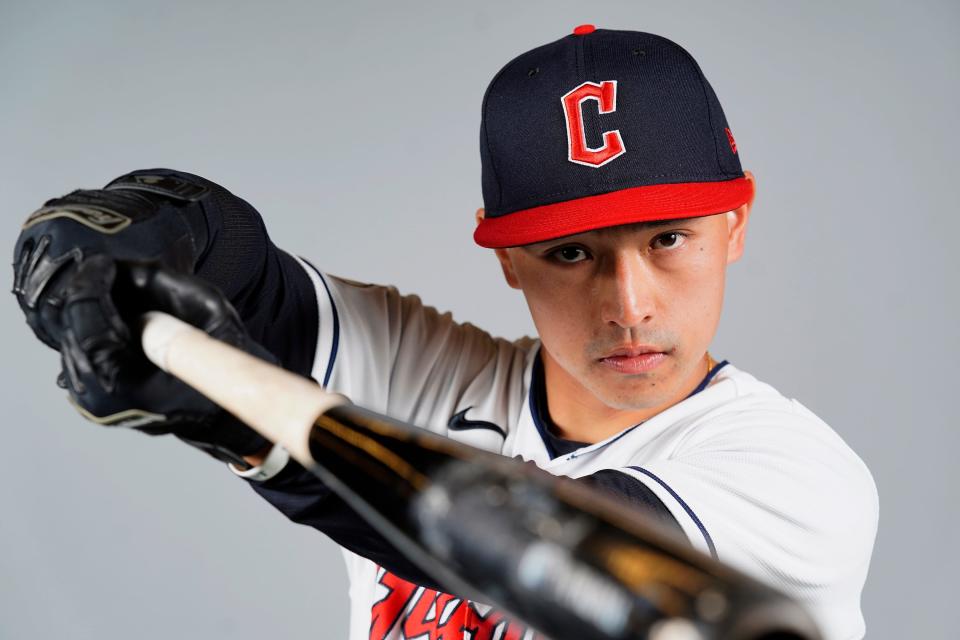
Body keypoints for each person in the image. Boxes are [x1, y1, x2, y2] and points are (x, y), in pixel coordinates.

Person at [12, 26, 878, 640]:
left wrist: (244, 424)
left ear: (735, 223)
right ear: (507, 258)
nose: (630, 303)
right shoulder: (429, 375)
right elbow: (239, 266)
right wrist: (124, 245)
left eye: (668, 239)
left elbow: (543, 543)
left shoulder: (797, 479)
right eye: (571, 251)